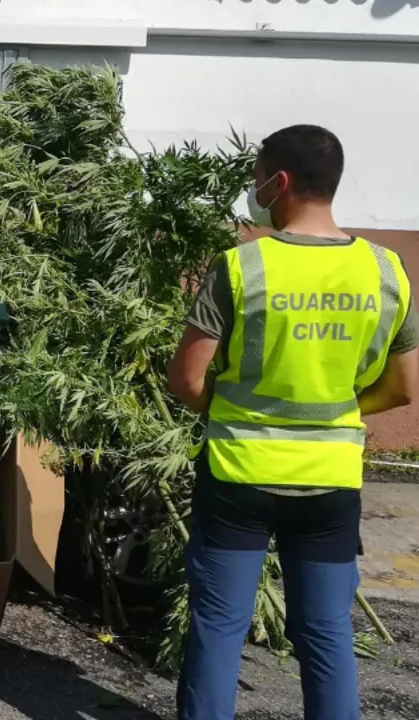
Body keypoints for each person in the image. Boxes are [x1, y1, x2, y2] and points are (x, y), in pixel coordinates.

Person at [168, 124, 419, 719]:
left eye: (257, 179)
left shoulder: (239, 268)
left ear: (279, 182)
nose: (254, 189)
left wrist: (233, 413)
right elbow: (405, 388)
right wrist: (338, 413)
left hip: (239, 476)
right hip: (330, 485)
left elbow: (186, 379)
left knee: (219, 630)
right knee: (327, 636)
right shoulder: (387, 272)